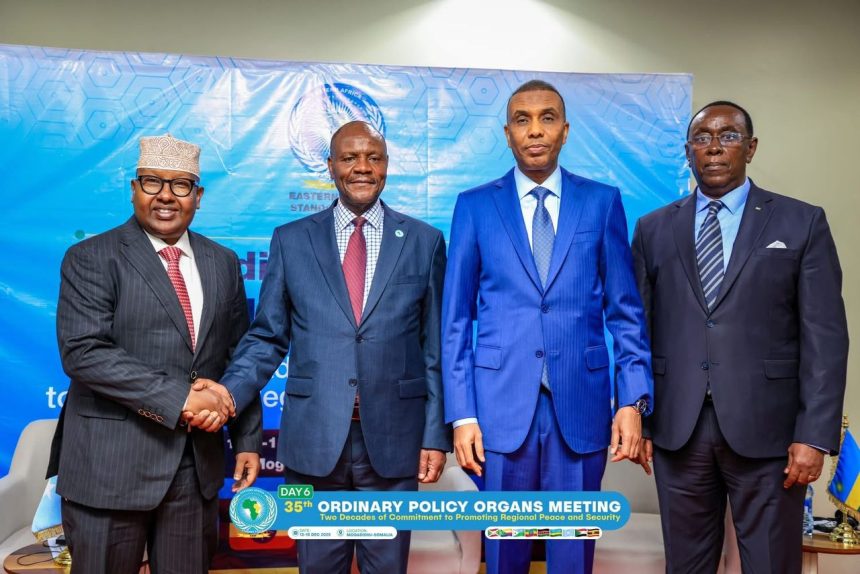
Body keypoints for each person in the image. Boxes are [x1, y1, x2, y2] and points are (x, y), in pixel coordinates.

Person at [214, 121, 450, 574]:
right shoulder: (291, 240)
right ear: (330, 166)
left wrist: (434, 435)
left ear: (386, 166)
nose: (362, 167)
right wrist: (227, 394)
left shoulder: (425, 241)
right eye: (349, 157)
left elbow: (434, 348)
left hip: (395, 443)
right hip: (313, 443)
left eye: (373, 158)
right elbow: (267, 336)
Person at [442, 80, 653, 574]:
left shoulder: (601, 202)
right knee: (504, 557)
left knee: (572, 556)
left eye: (547, 118)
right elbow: (455, 321)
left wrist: (632, 401)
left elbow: (625, 313)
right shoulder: (475, 206)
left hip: (580, 406)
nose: (535, 130)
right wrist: (462, 414)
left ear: (565, 130)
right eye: (522, 120)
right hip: (498, 411)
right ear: (507, 134)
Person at [631, 101, 848, 573]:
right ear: (688, 152)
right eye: (702, 137)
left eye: (728, 136)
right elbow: (638, 332)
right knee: (685, 566)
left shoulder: (801, 222)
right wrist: (641, 420)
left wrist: (814, 436)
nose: (714, 147)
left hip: (771, 435)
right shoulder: (652, 228)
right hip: (678, 431)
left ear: (750, 148)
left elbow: (826, 339)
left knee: (771, 564)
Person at [51, 134, 262, 574]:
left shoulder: (222, 262)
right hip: (109, 469)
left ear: (198, 197)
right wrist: (181, 398)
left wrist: (246, 440)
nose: (166, 195)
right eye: (152, 182)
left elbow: (236, 355)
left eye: (180, 185)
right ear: (134, 189)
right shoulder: (92, 257)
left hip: (194, 470)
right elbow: (84, 352)